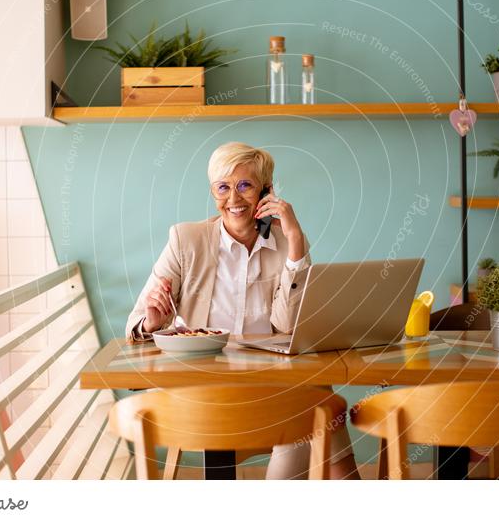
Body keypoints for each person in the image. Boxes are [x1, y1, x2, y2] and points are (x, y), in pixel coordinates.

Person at [125, 142, 360, 479]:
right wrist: (154, 321)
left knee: (312, 400)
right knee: (315, 405)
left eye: (245, 186)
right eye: (223, 187)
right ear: (213, 192)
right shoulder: (185, 240)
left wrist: (295, 242)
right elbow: (135, 324)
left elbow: (287, 324)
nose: (233, 199)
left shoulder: (284, 244)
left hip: (266, 386)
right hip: (200, 389)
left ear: (267, 191)